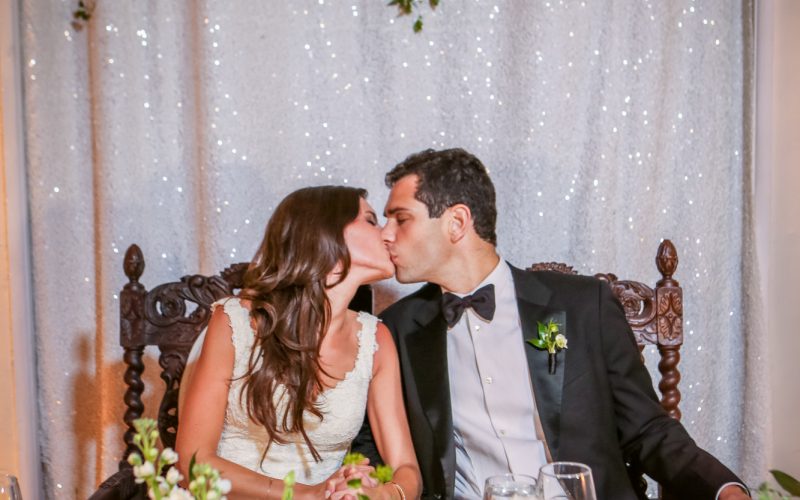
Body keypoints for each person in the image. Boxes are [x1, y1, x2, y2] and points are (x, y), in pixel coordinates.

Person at [352, 149, 749, 499]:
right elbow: (377, 448)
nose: (385, 235)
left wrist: (723, 489)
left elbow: (648, 430)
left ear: (457, 222)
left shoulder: (584, 305)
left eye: (400, 219)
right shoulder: (396, 330)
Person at [177, 186, 421, 499]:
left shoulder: (375, 340)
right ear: (324, 233)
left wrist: (381, 495)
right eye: (371, 221)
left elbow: (407, 470)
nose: (387, 234)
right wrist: (306, 494)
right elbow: (193, 462)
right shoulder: (236, 322)